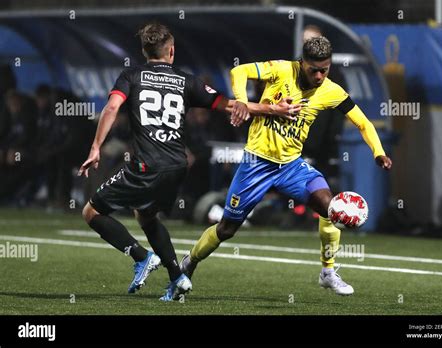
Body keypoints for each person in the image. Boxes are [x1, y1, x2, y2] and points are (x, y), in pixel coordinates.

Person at [78, 22, 299, 301]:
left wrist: (96, 147)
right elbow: (231, 105)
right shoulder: (186, 80)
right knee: (145, 215)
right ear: (171, 51)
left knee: (92, 212)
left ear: (145, 51)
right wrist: (273, 109)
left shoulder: (131, 75)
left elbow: (112, 107)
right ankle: (177, 277)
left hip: (146, 164)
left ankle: (141, 256)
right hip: (178, 166)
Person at [181, 36, 393, 296]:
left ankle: (328, 272)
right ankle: (190, 261)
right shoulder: (281, 69)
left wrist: (378, 152)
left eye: (324, 70)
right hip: (256, 164)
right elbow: (239, 71)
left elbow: (363, 122)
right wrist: (241, 102)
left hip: (292, 166)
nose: (318, 76)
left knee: (328, 206)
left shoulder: (332, 91)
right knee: (226, 229)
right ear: (302, 63)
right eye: (313, 69)